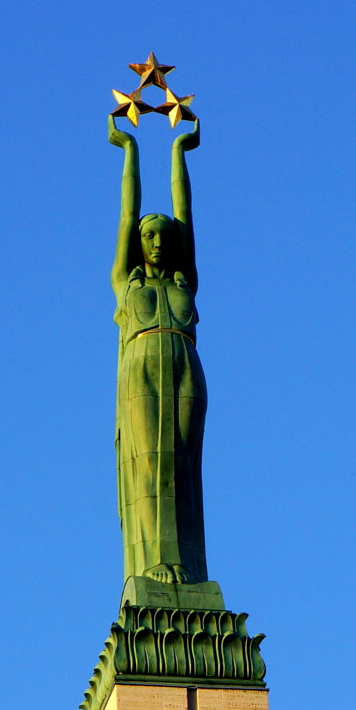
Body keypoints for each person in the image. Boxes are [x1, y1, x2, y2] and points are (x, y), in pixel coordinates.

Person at [107, 113, 207, 585]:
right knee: (149, 463)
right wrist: (130, 150)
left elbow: (185, 216)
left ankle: (188, 568)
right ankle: (151, 566)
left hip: (185, 364)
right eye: (149, 236)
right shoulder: (125, 283)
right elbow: (129, 216)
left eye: (164, 236)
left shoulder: (185, 281)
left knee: (182, 466)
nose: (158, 242)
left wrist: (178, 154)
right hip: (140, 368)